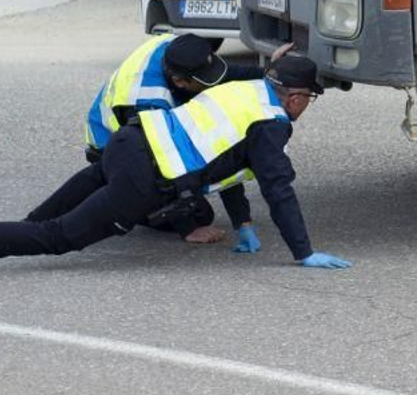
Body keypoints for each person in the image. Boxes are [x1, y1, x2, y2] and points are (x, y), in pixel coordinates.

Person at [0, 55, 351, 275]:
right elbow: (278, 187)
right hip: (144, 177)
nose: (305, 106)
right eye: (308, 99)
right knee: (56, 237)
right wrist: (304, 252)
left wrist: (245, 225)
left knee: (38, 221)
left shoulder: (247, 91)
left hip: (130, 142)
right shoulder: (272, 124)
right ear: (295, 96)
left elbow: (224, 152)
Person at [54, 33, 286, 244]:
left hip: (130, 138)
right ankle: (136, 209)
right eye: (202, 82)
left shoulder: (176, 49)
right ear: (179, 81)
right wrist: (188, 228)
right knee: (200, 214)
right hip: (115, 149)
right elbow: (165, 169)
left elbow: (220, 78)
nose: (211, 85)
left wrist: (268, 73)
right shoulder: (149, 101)